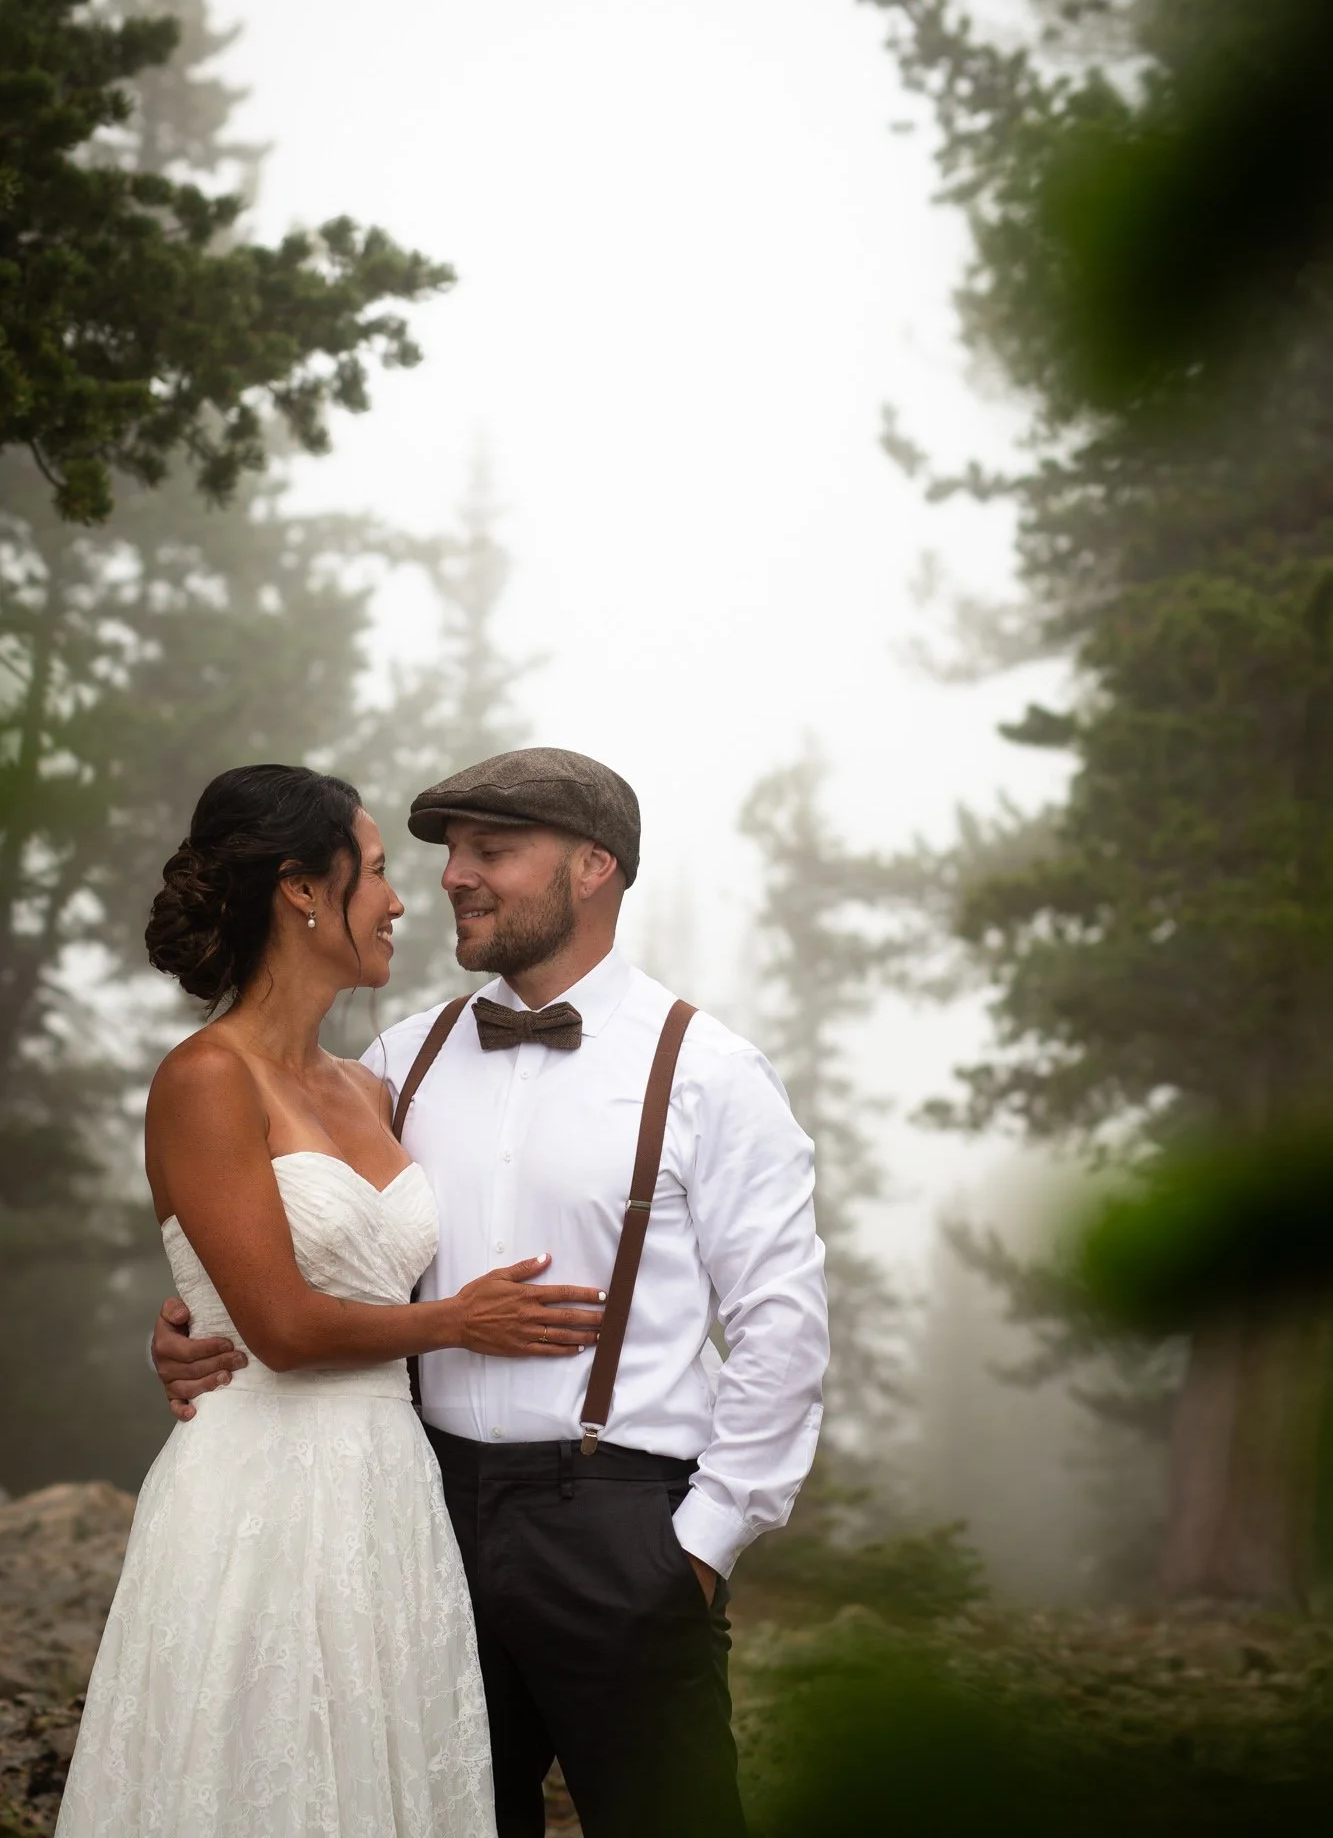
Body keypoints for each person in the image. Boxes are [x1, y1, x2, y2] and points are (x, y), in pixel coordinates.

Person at [154, 747, 830, 1838]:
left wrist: (700, 1546)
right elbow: (292, 1227)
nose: (454, 875)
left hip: (622, 1519)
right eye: (446, 851)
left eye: (492, 850)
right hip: (420, 1516)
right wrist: (196, 1321)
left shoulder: (707, 1069)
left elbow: (780, 1324)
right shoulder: (397, 1059)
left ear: (593, 867)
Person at [61, 763, 605, 1838]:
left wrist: (187, 1323)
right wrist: (458, 1320)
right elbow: (284, 1325)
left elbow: (364, 1260)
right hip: (259, 1491)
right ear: (302, 889)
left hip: (389, 1490)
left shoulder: (373, 1086)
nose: (403, 898)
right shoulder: (204, 1077)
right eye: (377, 871)